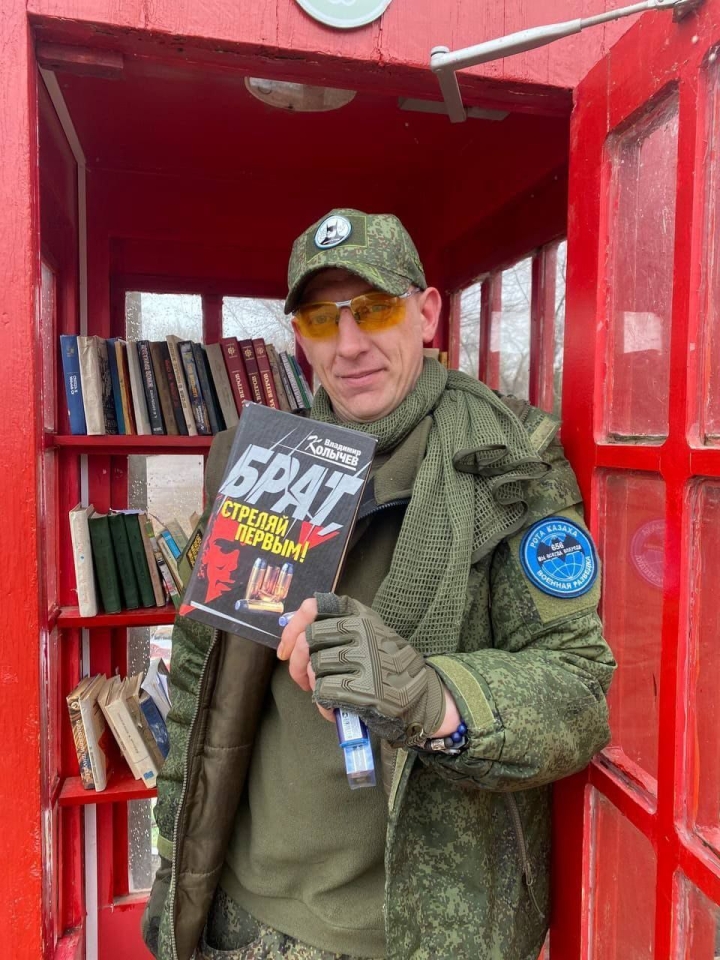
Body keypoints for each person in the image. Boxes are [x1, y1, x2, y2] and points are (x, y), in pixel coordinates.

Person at [142, 208, 616, 960]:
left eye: (374, 309)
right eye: (321, 319)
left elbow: (578, 689)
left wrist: (434, 697)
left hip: (428, 931)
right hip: (247, 913)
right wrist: (174, 857)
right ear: (299, 336)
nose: (350, 344)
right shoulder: (264, 465)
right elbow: (200, 675)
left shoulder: (512, 465)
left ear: (425, 314)